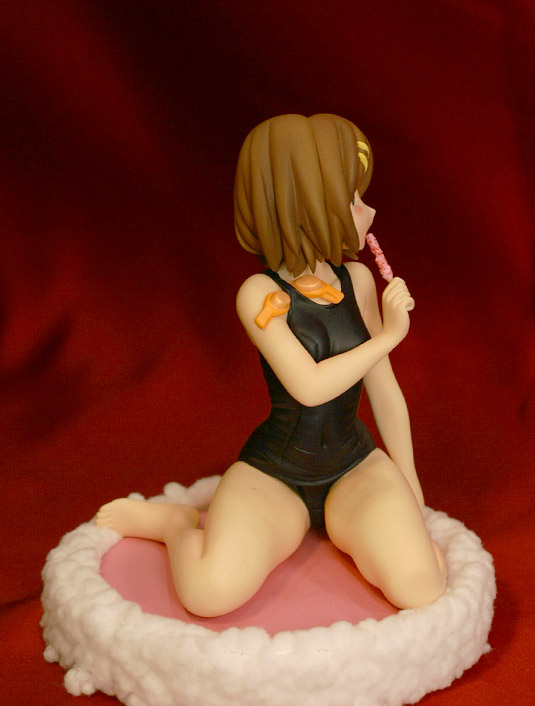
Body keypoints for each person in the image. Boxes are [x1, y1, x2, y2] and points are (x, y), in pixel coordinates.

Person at [96, 113, 447, 617]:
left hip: (354, 465)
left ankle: (372, 523)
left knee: (422, 587)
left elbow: (385, 390)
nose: (368, 210)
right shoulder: (259, 293)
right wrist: (389, 336)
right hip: (276, 473)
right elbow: (310, 387)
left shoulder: (358, 281)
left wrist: (411, 487)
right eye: (353, 198)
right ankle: (176, 526)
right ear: (307, 204)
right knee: (210, 593)